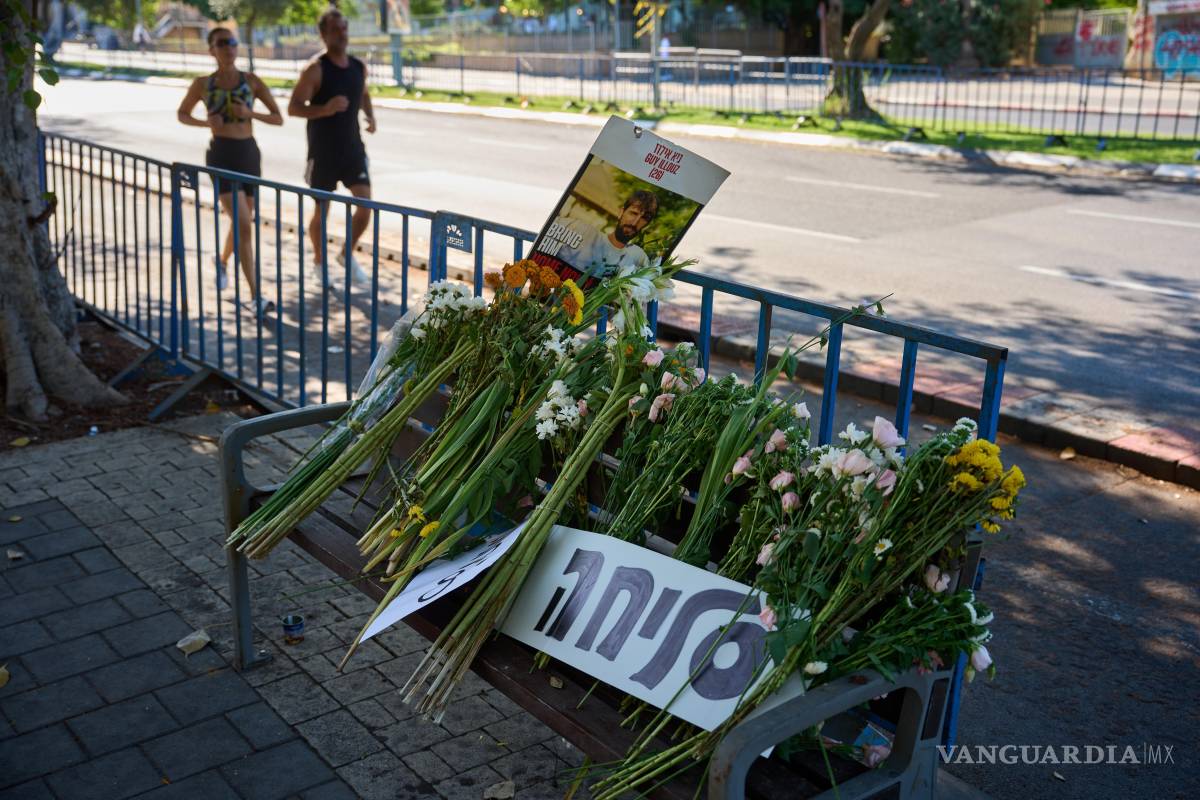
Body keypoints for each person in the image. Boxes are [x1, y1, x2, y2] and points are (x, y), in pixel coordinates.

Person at [177, 27, 283, 318]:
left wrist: (251, 114)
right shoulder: (202, 84)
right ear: (211, 49)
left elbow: (278, 118)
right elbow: (182, 113)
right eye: (222, 43)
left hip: (248, 153)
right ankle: (255, 296)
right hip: (220, 154)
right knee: (245, 224)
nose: (229, 48)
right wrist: (205, 123)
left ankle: (222, 260)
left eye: (233, 42)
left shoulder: (252, 81)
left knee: (242, 221)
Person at [288, 7, 376, 294]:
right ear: (324, 34)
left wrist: (370, 116)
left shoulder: (357, 66)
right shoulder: (315, 69)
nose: (342, 33)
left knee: (365, 207)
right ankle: (319, 263)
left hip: (352, 148)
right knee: (321, 211)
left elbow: (362, 92)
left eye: (344, 27)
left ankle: (345, 253)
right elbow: (294, 107)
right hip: (322, 152)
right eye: (335, 29)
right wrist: (325, 109)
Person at [549, 190, 659, 285]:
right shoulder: (583, 231)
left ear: (647, 225)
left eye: (644, 218)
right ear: (621, 212)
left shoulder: (638, 257)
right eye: (633, 213)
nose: (635, 223)